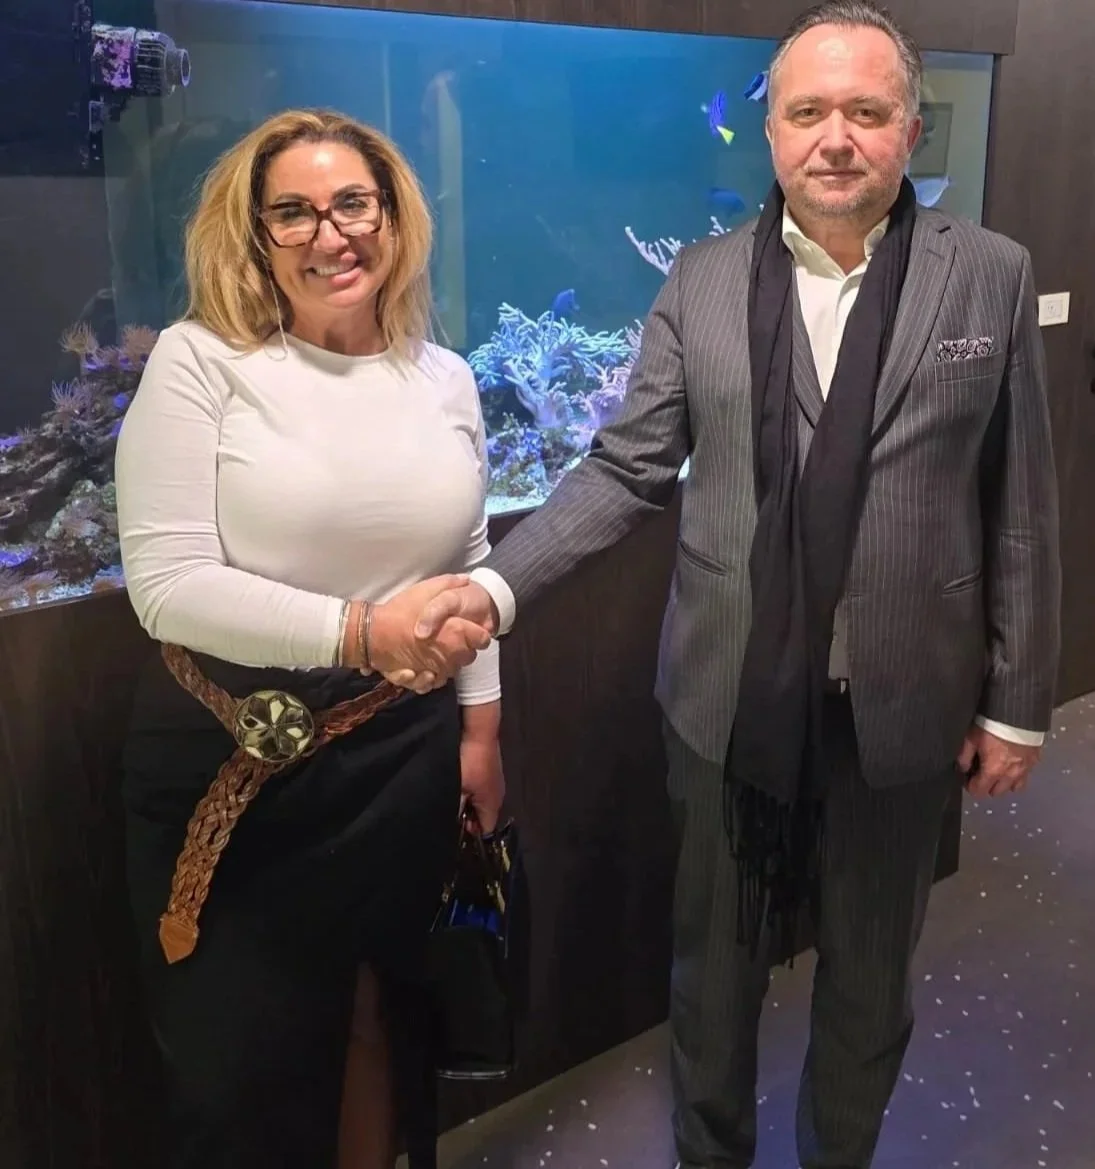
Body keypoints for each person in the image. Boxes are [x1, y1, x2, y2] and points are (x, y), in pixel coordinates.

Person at [407, 3, 1062, 1166]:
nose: (836, 138)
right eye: (808, 112)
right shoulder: (702, 282)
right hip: (725, 690)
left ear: (910, 129)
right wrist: (496, 591)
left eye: (867, 112)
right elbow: (627, 466)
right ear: (771, 133)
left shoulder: (990, 277)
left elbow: (1018, 498)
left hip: (903, 695)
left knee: (870, 972)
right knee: (712, 973)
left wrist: (1016, 699)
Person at [114, 108, 503, 1169]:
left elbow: (466, 560)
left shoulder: (445, 376)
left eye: (353, 204)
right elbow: (167, 584)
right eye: (293, 212)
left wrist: (481, 732)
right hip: (233, 752)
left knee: (382, 1019)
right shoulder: (200, 363)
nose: (331, 234)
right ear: (253, 234)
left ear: (393, 217)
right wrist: (362, 628)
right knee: (237, 1058)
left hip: (404, 754)